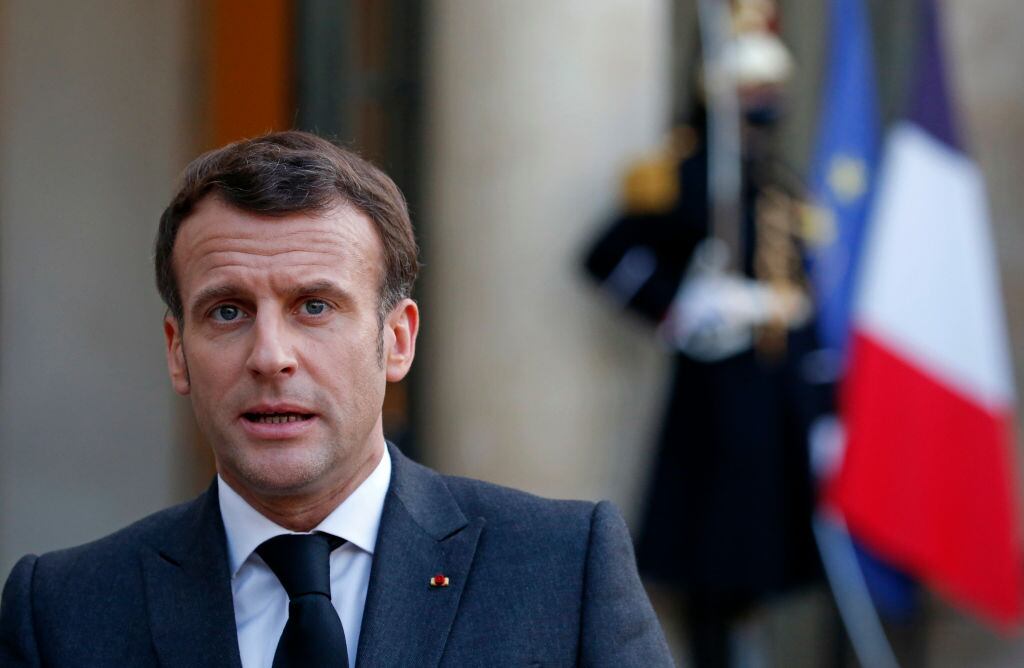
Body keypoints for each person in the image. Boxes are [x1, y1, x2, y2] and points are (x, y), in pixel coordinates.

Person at [0, 131, 672, 667]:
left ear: (398, 340)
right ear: (177, 350)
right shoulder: (63, 609)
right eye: (228, 311)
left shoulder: (560, 568)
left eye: (314, 306)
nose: (270, 356)